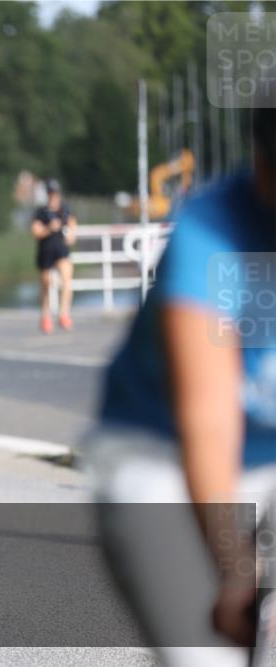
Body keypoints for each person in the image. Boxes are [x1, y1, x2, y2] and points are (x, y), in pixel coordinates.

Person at [85, 98, 276, 666]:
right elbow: (210, 424)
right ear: (263, 164)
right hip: (160, 457)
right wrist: (239, 573)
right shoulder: (211, 231)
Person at [30, 179, 78, 333]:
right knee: (46, 283)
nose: (53, 196)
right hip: (46, 251)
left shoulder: (64, 209)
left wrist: (71, 234)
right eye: (51, 193)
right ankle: (45, 315)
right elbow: (35, 231)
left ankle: (63, 313)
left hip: (61, 250)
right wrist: (49, 229)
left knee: (66, 279)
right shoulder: (41, 212)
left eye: (55, 193)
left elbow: (72, 224)